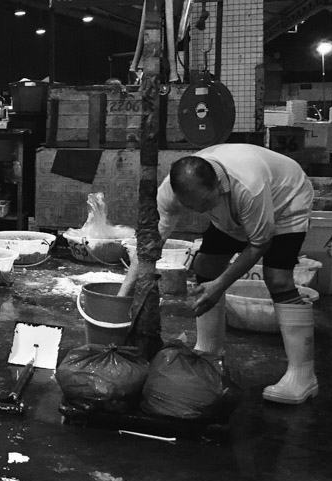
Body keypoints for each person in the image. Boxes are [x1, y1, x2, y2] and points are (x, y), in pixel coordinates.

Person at [119, 143, 316, 405]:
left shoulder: (248, 186)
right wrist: (123, 293)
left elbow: (259, 243)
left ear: (216, 186)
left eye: (203, 203)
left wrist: (220, 286)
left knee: (277, 278)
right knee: (205, 267)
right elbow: (150, 243)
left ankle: (302, 376)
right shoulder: (171, 191)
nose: (198, 211)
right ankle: (210, 350)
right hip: (231, 209)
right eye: (191, 206)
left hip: (286, 200)